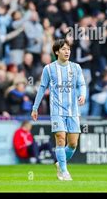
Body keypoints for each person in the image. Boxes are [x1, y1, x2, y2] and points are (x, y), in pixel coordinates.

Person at [31, 39, 86, 181]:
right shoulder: (49, 69)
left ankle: (59, 163)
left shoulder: (76, 68)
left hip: (73, 111)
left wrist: (83, 95)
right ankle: (64, 171)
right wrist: (35, 107)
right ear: (57, 52)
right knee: (61, 139)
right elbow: (42, 88)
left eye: (68, 49)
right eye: (63, 49)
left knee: (73, 144)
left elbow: (82, 84)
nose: (67, 51)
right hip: (57, 110)